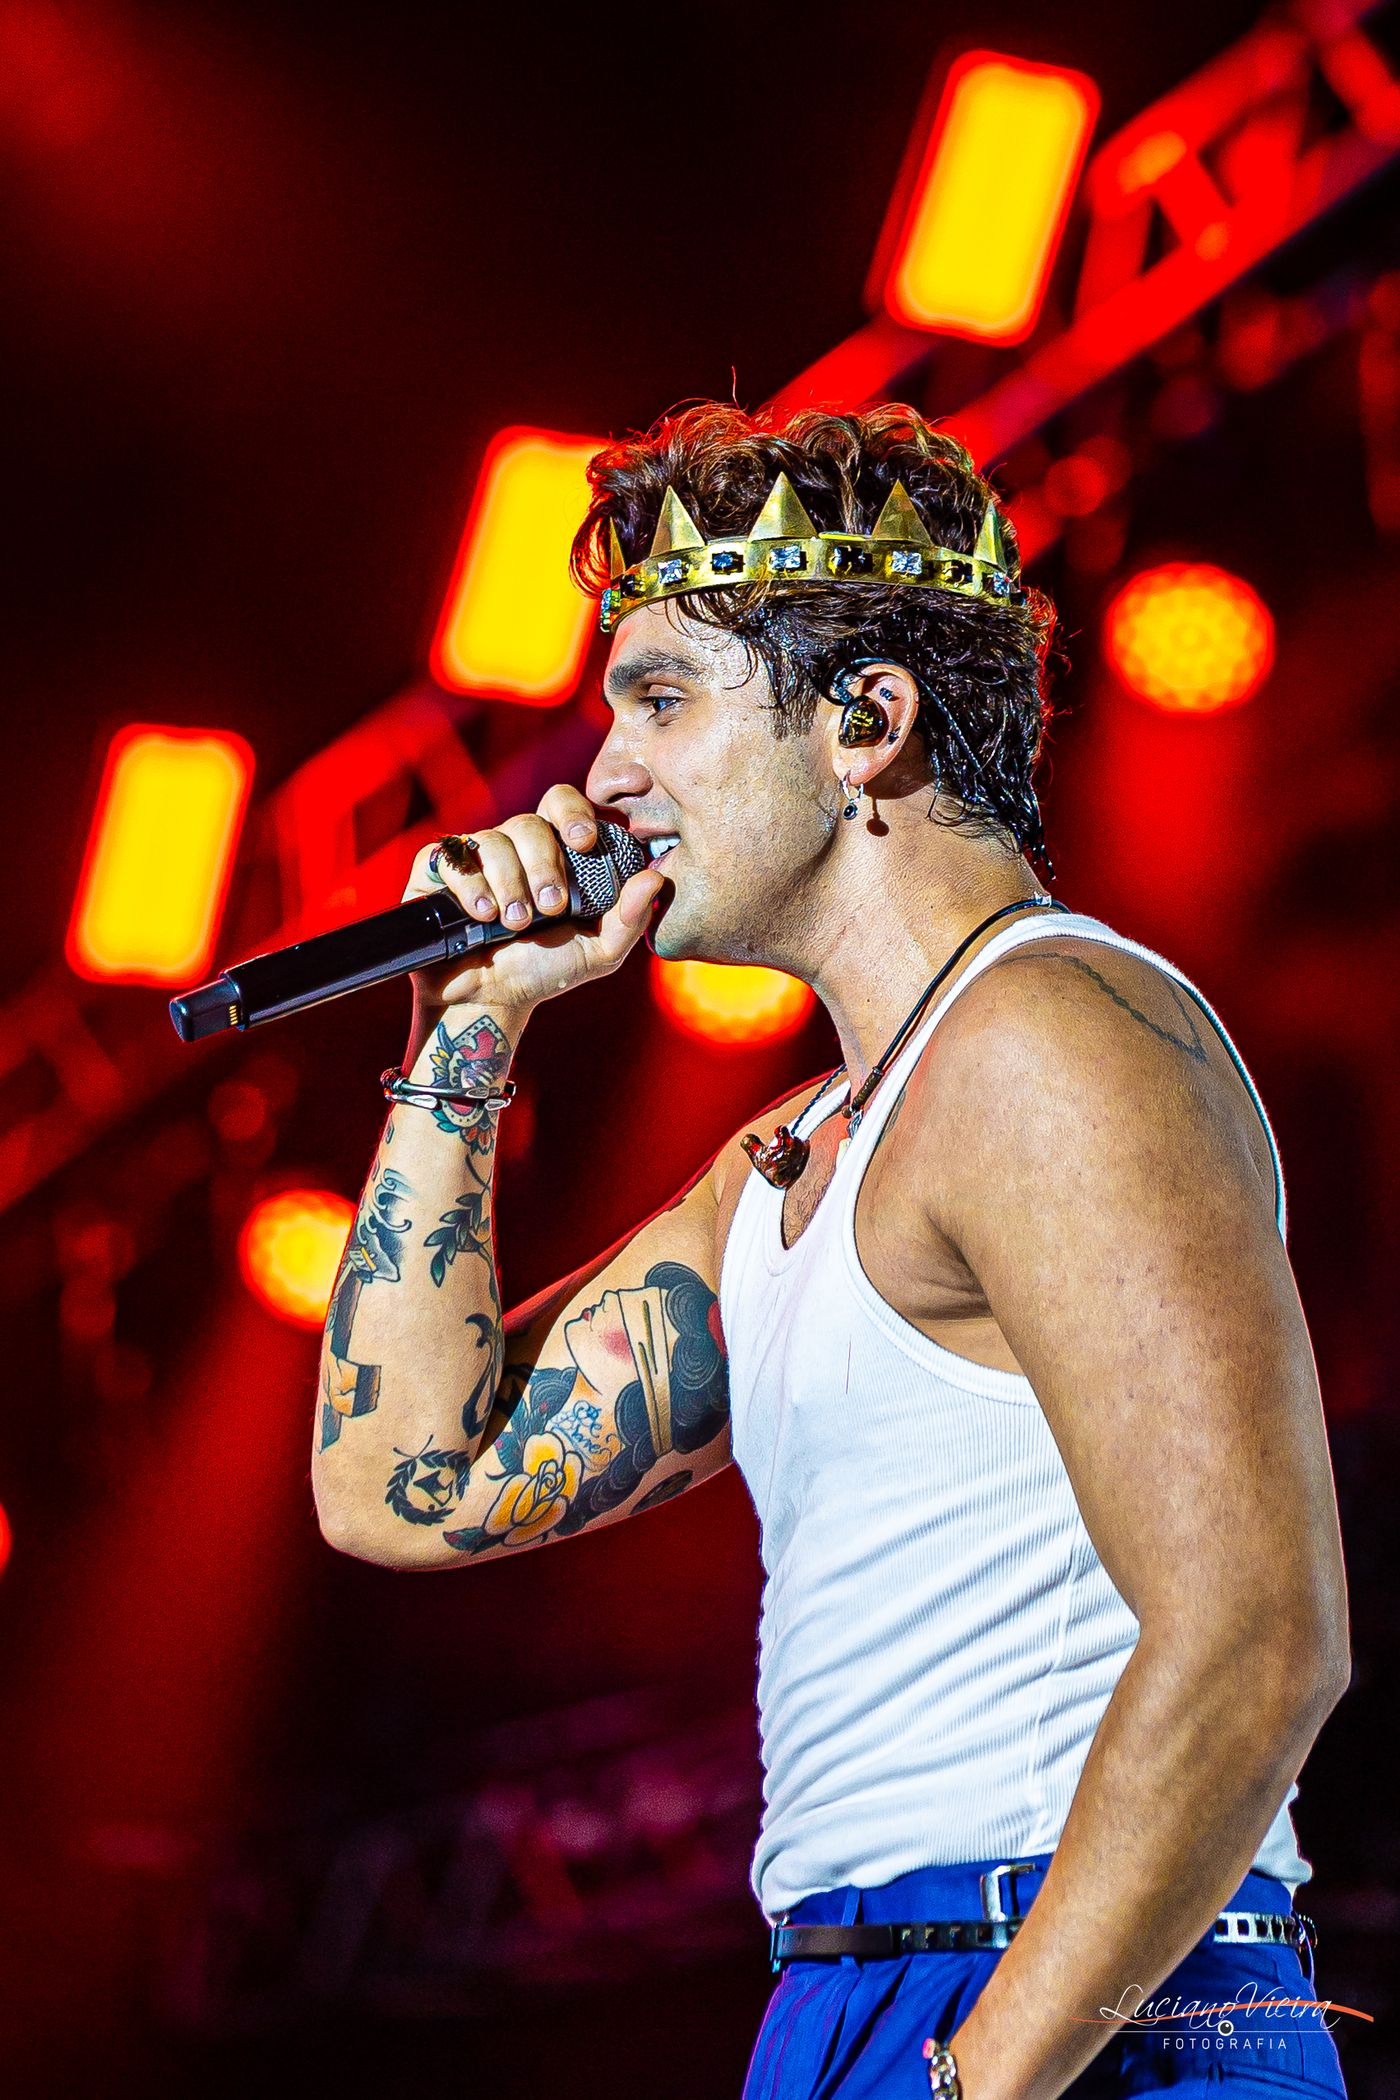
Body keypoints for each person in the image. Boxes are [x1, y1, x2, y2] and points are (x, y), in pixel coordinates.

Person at [312, 404, 1351, 2100]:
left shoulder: (1053, 1035)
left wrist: (976, 2078)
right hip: (858, 1994)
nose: (602, 779)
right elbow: (403, 1486)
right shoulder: (795, 1156)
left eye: (661, 699)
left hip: (1079, 1995)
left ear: (866, 722)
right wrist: (470, 1027)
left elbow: (1259, 1640)